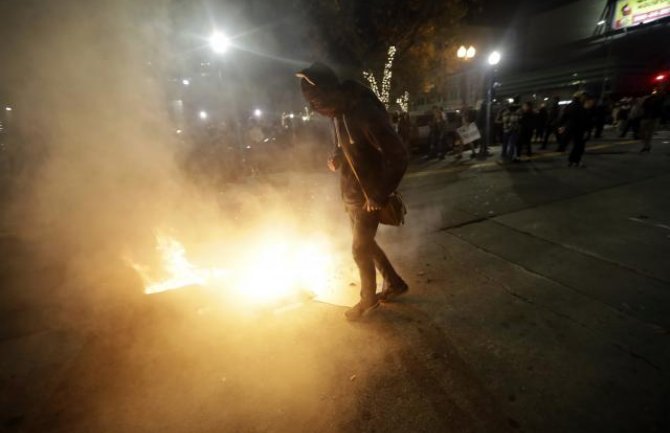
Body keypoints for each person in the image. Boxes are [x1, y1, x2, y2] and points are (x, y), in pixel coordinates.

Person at [296, 62, 409, 320]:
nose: (318, 110)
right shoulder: (339, 113)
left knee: (360, 248)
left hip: (369, 196)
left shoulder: (364, 113)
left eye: (318, 103)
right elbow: (345, 144)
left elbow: (398, 155)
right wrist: (337, 157)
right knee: (365, 244)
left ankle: (368, 299)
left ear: (330, 93)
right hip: (352, 192)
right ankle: (395, 283)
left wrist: (379, 194)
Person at [639, 85, 667, 153]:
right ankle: (646, 145)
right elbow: (642, 107)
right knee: (642, 133)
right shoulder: (648, 99)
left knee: (649, 133)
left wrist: (661, 89)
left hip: (655, 117)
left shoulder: (660, 99)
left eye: (656, 91)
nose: (655, 92)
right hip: (645, 117)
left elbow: (663, 96)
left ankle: (646, 146)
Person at [498, 96, 521, 162]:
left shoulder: (503, 111)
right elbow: (518, 119)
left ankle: (505, 155)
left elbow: (498, 120)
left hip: (507, 129)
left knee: (507, 143)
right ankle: (508, 156)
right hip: (512, 129)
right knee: (511, 143)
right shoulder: (515, 111)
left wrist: (504, 122)